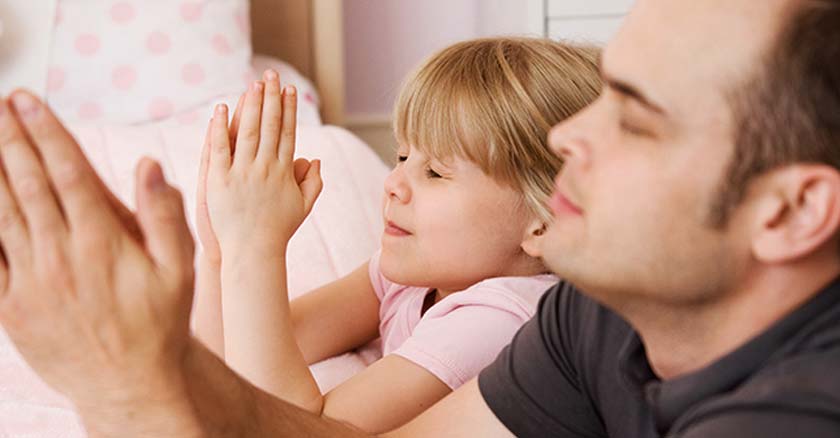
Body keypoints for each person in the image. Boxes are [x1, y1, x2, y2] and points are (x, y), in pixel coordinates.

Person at [0, 0, 839, 436]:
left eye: (634, 115)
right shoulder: (597, 320)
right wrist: (135, 369)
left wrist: (128, 391)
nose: (566, 136)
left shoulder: (792, 413)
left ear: (794, 209)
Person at [190, 38, 601, 432]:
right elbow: (237, 353)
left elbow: (293, 428)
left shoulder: (500, 318)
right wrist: (222, 249)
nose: (392, 183)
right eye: (402, 156)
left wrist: (257, 246)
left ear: (544, 222)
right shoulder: (414, 275)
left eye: (435, 172)